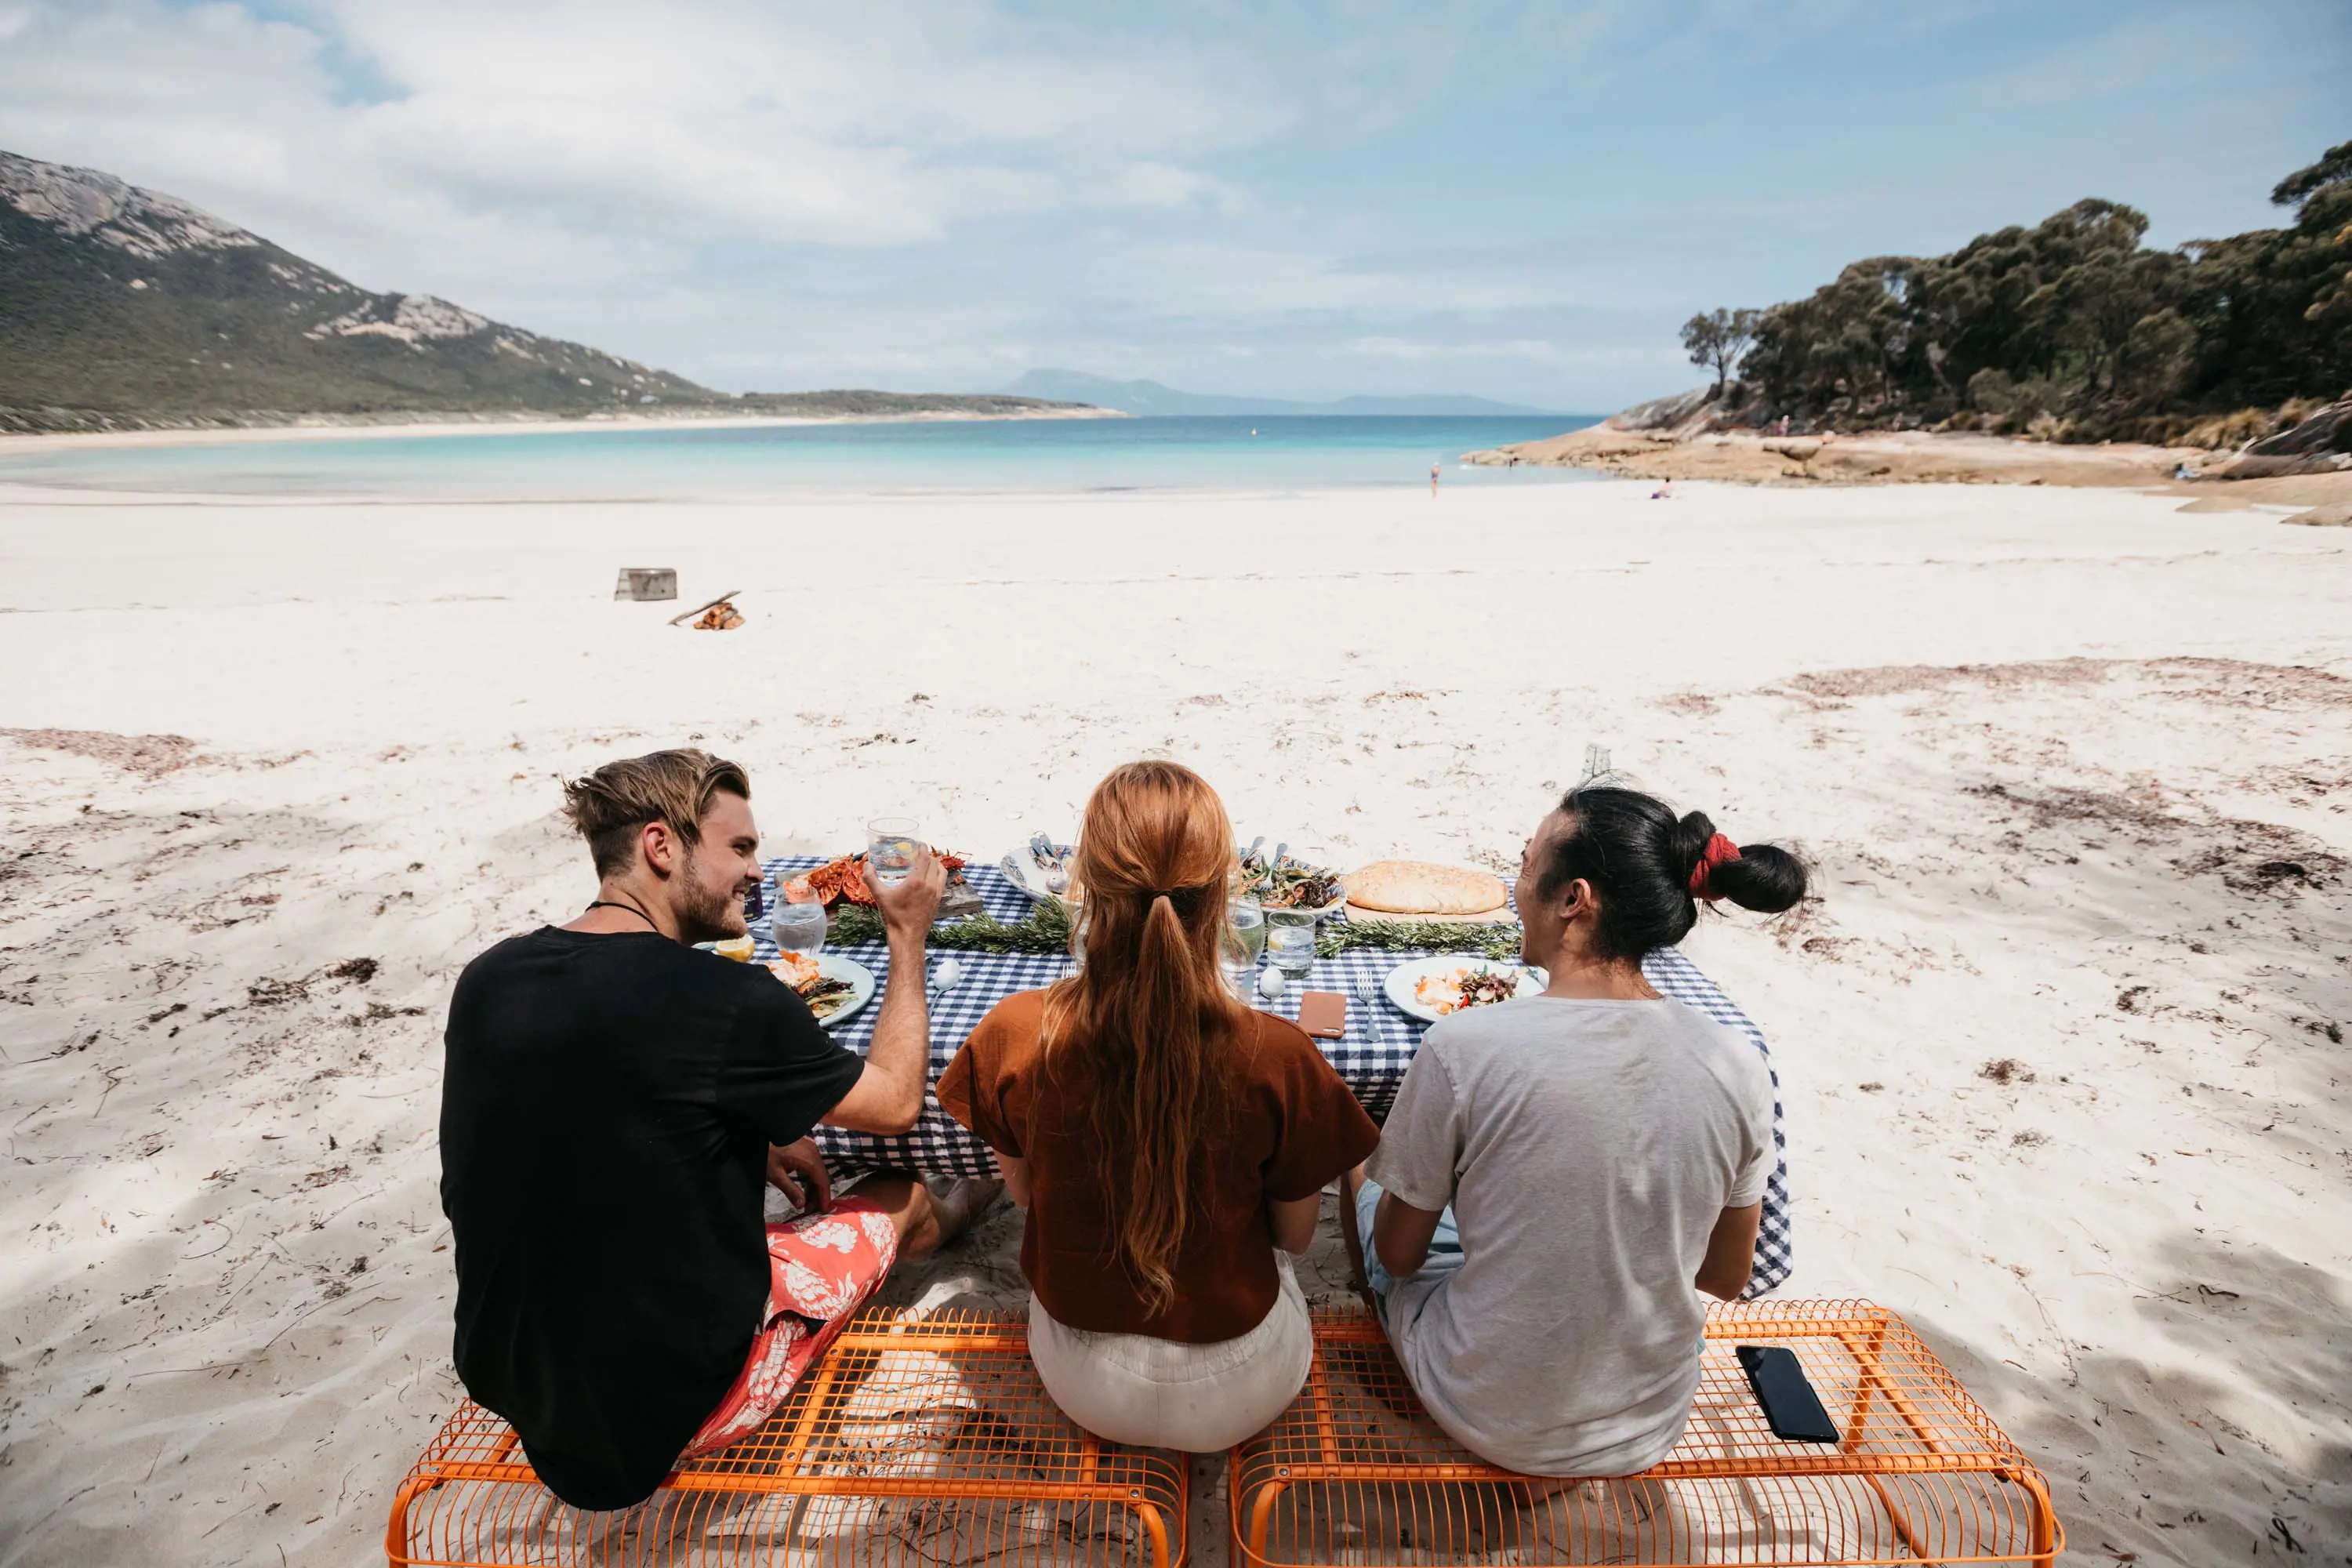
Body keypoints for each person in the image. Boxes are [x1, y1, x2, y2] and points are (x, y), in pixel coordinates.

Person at [440, 749, 997, 1512]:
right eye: (737, 848)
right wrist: (907, 934)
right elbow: (898, 1101)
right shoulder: (725, 996)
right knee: (900, 1190)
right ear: (661, 846)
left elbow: (585, 1095)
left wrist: (749, 1131)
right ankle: (966, 1202)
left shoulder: (490, 976)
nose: (758, 872)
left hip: (509, 1377)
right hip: (673, 1403)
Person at [1341, 785, 1806, 1476]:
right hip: (1650, 1422)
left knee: (1360, 1166)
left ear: (1573, 899)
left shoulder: (1463, 1045)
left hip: (1488, 1414)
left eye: (1525, 867)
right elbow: (1726, 1276)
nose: (1515, 889)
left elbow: (1402, 1255)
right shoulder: (1737, 1060)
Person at [938, 761, 1378, 1451]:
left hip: (1085, 1383)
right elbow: (1294, 1239)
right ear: (1221, 895)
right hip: (1245, 1386)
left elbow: (1023, 1198)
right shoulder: (1280, 1054)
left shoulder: (1015, 1033)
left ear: (1084, 890)